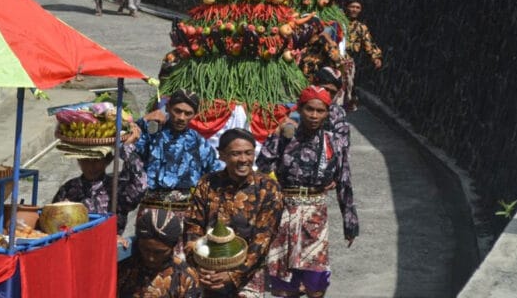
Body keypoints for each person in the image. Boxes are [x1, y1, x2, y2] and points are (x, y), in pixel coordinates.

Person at [256, 86, 359, 298]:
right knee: (285, 286)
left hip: (316, 217)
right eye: (309, 109)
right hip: (284, 215)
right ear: (300, 109)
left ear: (327, 113)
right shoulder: (285, 137)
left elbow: (344, 181)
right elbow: (262, 167)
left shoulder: (334, 142)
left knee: (316, 285)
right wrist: (276, 134)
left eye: (320, 111)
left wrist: (350, 224)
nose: (314, 115)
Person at [184, 128, 284, 297]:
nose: (243, 159)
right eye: (235, 154)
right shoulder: (207, 183)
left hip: (248, 273)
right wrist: (201, 267)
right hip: (208, 271)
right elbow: (193, 227)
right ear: (222, 155)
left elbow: (263, 238)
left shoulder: (268, 188)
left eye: (248, 153)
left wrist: (233, 274)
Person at [123, 89, 223, 253]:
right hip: (150, 210)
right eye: (178, 111)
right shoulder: (151, 134)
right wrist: (144, 120)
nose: (182, 117)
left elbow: (216, 173)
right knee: (148, 256)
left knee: (181, 261)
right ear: (168, 108)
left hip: (183, 214)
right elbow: (125, 149)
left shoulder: (199, 143)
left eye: (188, 113)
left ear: (195, 114)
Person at [51, 143, 146, 244]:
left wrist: (126, 148)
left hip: (108, 247)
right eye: (85, 160)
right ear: (79, 160)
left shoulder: (117, 188)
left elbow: (141, 185)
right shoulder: (69, 189)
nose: (91, 166)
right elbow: (52, 222)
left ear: (106, 161)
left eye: (97, 161)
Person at [118, 209, 201, 297]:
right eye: (145, 249)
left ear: (173, 247)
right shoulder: (124, 266)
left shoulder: (184, 278)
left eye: (159, 252)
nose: (151, 257)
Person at [343, 0, 382, 112]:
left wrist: (375, 57)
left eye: (357, 7)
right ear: (346, 7)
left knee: (348, 87)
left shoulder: (361, 28)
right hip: (333, 59)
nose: (354, 10)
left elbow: (368, 42)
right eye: (352, 6)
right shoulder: (337, 22)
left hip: (348, 61)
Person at [312, 66, 350, 154]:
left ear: (338, 93)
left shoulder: (338, 116)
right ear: (314, 85)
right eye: (324, 89)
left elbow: (342, 151)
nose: (327, 95)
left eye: (332, 92)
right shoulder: (300, 107)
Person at [295, 16, 342, 84]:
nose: (303, 30)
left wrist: (329, 41)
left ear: (316, 29)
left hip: (318, 82)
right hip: (300, 79)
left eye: (308, 27)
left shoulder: (323, 42)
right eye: (302, 27)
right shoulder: (301, 40)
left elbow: (337, 59)